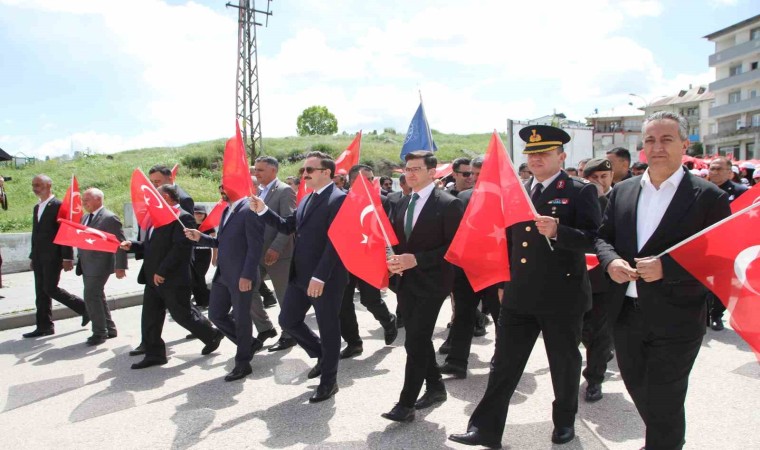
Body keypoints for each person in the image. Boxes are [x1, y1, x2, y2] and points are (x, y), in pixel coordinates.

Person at [449, 125, 601, 447]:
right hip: (520, 293)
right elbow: (509, 241)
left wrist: (559, 231)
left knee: (563, 363)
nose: (536, 159)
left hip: (562, 296)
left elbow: (594, 239)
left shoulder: (579, 190)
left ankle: (564, 422)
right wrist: (504, 282)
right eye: (531, 154)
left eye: (544, 153)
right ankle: (485, 429)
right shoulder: (517, 191)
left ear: (561, 156)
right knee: (504, 364)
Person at [595, 112, 730, 450]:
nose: (657, 147)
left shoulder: (708, 196)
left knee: (665, 395)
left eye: (666, 139)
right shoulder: (623, 191)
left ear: (684, 145)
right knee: (637, 385)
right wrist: (611, 261)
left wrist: (668, 268)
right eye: (650, 140)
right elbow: (603, 238)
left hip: (678, 315)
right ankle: (666, 439)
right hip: (625, 312)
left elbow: (719, 258)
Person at [249, 151, 348, 403]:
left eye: (309, 170)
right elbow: (287, 225)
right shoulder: (306, 198)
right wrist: (263, 210)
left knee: (328, 328)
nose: (304, 174)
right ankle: (322, 355)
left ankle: (329, 381)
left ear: (326, 172)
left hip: (325, 278)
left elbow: (336, 244)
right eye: (303, 170)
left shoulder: (339, 199)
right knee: (288, 320)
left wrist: (320, 277)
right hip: (300, 275)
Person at [380, 150, 464, 423]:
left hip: (433, 282)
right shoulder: (403, 202)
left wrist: (416, 259)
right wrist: (392, 261)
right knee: (419, 337)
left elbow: (455, 248)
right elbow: (397, 242)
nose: (410, 173)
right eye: (407, 169)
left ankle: (406, 404)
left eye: (416, 169)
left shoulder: (448, 204)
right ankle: (436, 387)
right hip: (405, 282)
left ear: (432, 172)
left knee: (415, 340)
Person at [121, 185, 223, 370]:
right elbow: (153, 246)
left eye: (154, 197)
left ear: (167, 197)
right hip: (152, 277)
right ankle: (155, 354)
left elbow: (181, 248)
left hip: (172, 278)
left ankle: (211, 334)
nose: (149, 201)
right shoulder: (155, 217)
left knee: (182, 314)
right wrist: (134, 245)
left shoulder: (182, 217)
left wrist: (163, 271)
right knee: (150, 316)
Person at [185, 186, 268, 381]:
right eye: (221, 186)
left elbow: (255, 247)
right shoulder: (226, 210)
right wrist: (201, 237)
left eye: (226, 186)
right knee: (216, 314)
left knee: (241, 319)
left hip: (242, 276)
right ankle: (250, 344)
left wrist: (247, 275)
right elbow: (221, 242)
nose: (221, 189)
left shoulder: (249, 209)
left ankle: (243, 363)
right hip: (223, 275)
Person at [439, 155, 500, 379]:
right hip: (467, 268)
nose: (474, 178)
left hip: (496, 269)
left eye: (479, 174)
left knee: (501, 319)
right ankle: (456, 362)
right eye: (472, 174)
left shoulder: (507, 199)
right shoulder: (463, 197)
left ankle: (501, 361)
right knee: (462, 315)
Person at [338, 164, 398, 360]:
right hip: (345, 261)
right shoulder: (340, 200)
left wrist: (388, 258)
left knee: (370, 300)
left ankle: (388, 321)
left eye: (372, 179)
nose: (371, 183)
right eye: (366, 179)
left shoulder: (383, 201)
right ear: (352, 181)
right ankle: (354, 343)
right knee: (343, 304)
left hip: (371, 259)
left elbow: (386, 234)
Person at [23, 174, 89, 338]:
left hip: (53, 256)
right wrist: (32, 256)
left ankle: (84, 308)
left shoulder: (59, 206)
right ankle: (44, 326)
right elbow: (36, 234)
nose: (35, 188)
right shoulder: (37, 207)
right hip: (39, 256)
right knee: (41, 292)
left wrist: (67, 257)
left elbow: (65, 232)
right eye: (33, 185)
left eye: (38, 185)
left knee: (50, 288)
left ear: (48, 186)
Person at [250, 156, 298, 353]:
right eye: (256, 169)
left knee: (284, 296)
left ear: (273, 171)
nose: (257, 173)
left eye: (261, 170)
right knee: (247, 289)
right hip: (256, 253)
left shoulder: (284, 191)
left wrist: (276, 247)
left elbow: (288, 223)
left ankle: (290, 334)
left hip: (279, 254)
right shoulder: (256, 192)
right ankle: (265, 328)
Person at [580, 158, 615, 402]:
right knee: (584, 330)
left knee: (600, 333)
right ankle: (600, 354)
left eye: (604, 176)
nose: (600, 182)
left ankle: (594, 379)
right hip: (580, 276)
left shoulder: (620, 199)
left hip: (606, 277)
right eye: (595, 177)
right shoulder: (579, 198)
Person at [76, 188, 128, 346]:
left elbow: (120, 242)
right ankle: (109, 328)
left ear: (98, 200)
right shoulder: (85, 217)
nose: (84, 203)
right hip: (87, 264)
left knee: (91, 296)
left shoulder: (109, 218)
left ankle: (99, 332)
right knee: (97, 296)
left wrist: (120, 266)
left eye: (87, 200)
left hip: (100, 264)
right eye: (83, 200)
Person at [705, 157, 747, 331]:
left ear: (730, 172)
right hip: (704, 243)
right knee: (701, 280)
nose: (714, 172)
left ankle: (716, 314)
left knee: (723, 282)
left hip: (728, 244)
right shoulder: (701, 189)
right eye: (712, 169)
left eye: (719, 169)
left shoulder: (740, 191)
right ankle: (703, 313)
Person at [190, 205, 215, 309]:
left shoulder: (209, 226)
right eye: (196, 213)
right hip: (192, 254)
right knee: (193, 279)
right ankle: (199, 301)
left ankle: (206, 301)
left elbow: (214, 243)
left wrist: (214, 257)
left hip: (204, 254)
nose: (199, 215)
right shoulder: (190, 225)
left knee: (200, 277)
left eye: (201, 213)